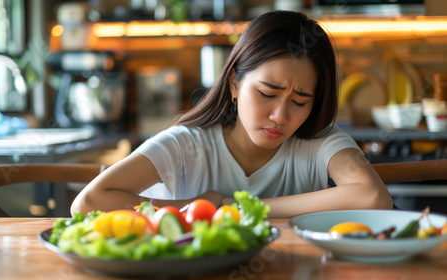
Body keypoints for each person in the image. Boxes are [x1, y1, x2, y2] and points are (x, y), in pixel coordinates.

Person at [71, 10, 393, 218]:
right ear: (234, 84)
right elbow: (88, 202)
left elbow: (373, 197)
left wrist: (238, 209)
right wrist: (196, 208)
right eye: (267, 93)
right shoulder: (188, 145)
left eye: (300, 101)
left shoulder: (318, 140)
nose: (281, 116)